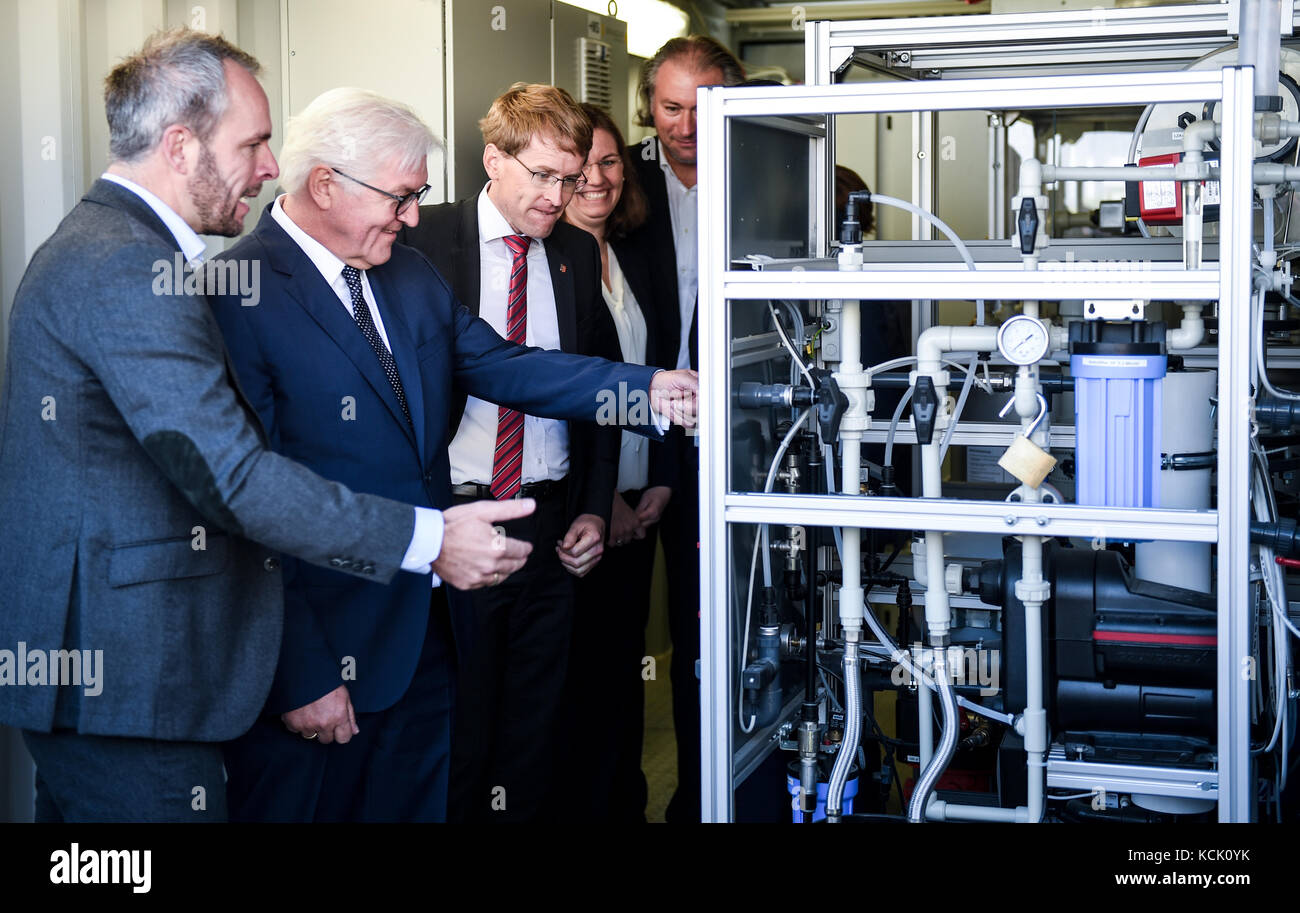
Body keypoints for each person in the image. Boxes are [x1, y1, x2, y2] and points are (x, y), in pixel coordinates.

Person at [0, 28, 532, 823]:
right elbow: (234, 476)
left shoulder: (112, 249)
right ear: (180, 146)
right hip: (128, 683)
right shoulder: (125, 266)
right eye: (252, 143)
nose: (269, 165)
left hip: (113, 684)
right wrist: (430, 539)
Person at [207, 87, 696, 822]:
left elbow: (504, 366)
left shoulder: (402, 270)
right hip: (323, 648)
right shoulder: (236, 291)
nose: (412, 217)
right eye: (401, 197)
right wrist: (299, 672)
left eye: (418, 195)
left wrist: (649, 389)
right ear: (325, 185)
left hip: (424, 631)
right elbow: (246, 503)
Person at [399, 83, 640, 822]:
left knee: (537, 733)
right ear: (492, 160)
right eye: (541, 176)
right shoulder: (419, 243)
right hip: (455, 520)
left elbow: (597, 394)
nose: (558, 196)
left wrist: (596, 509)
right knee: (459, 733)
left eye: (569, 180)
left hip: (549, 523)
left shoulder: (571, 250)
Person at [626, 35, 744, 823]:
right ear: (650, 107)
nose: (687, 124)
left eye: (702, 104)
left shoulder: (766, 168)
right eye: (671, 107)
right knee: (624, 620)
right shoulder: (617, 179)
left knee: (720, 619)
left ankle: (712, 794)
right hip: (636, 424)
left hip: (738, 435)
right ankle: (617, 797)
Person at [552, 103, 676, 821]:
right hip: (583, 509)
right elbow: (563, 397)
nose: (596, 178)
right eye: (580, 165)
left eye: (608, 162)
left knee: (624, 677)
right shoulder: (549, 257)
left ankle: (623, 805)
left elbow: (657, 368)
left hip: (639, 494)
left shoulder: (630, 254)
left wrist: (656, 478)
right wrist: (605, 499)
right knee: (580, 679)